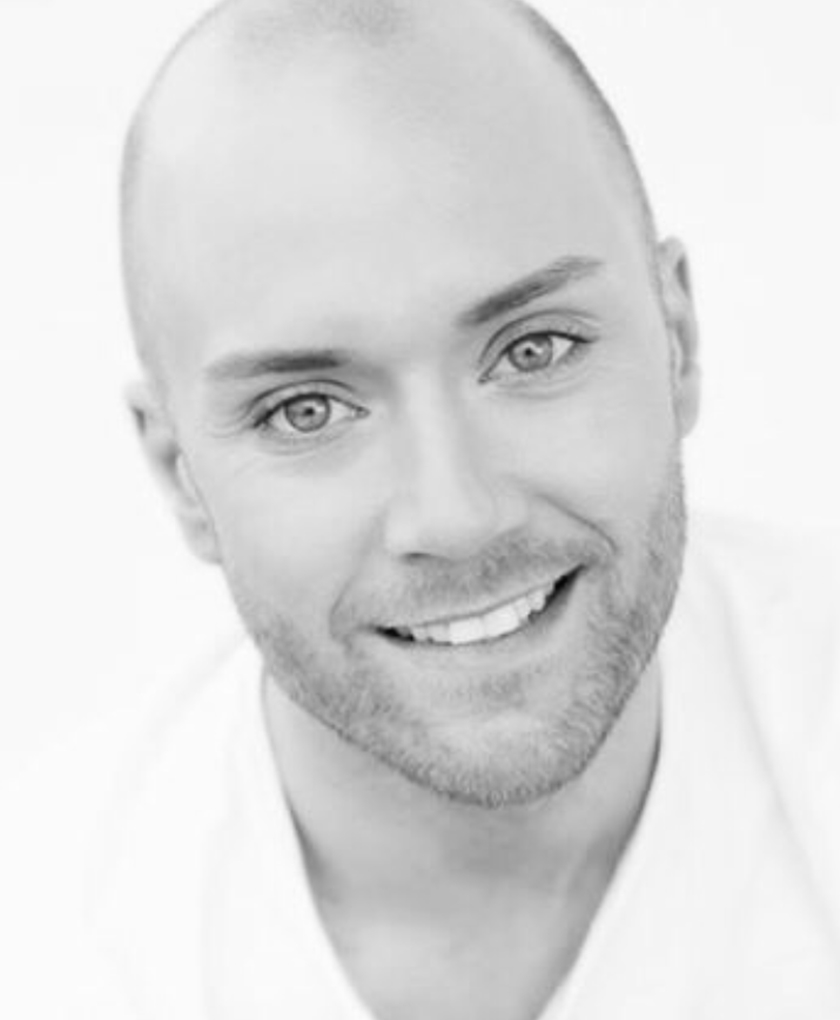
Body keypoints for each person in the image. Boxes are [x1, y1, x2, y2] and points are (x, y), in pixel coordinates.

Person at [2, 0, 839, 1017]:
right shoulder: (44, 956)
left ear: (678, 339)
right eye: (306, 410)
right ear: (181, 477)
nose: (456, 517)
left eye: (535, 349)